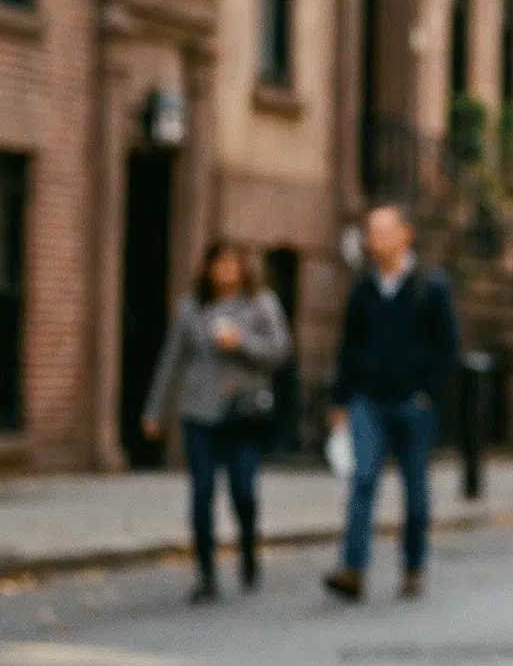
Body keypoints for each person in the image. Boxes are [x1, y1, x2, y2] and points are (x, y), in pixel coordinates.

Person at [141, 241, 293, 603]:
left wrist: (241, 343)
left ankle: (248, 549)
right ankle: (206, 574)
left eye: (233, 264)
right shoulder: (191, 309)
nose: (226, 271)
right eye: (219, 264)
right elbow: (171, 362)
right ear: (207, 269)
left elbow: (280, 351)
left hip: (243, 414)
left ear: (244, 269)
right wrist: (154, 411)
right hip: (200, 413)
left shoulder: (261, 304)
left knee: (243, 491)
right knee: (202, 493)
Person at [323, 203, 460, 602]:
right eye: (370, 231)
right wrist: (340, 399)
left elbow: (447, 346)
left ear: (405, 234)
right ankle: (353, 568)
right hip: (368, 399)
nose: (373, 240)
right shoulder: (363, 288)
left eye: (381, 231)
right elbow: (348, 346)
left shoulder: (430, 285)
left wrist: (428, 393)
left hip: (412, 402)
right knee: (362, 480)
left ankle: (414, 565)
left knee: (415, 491)